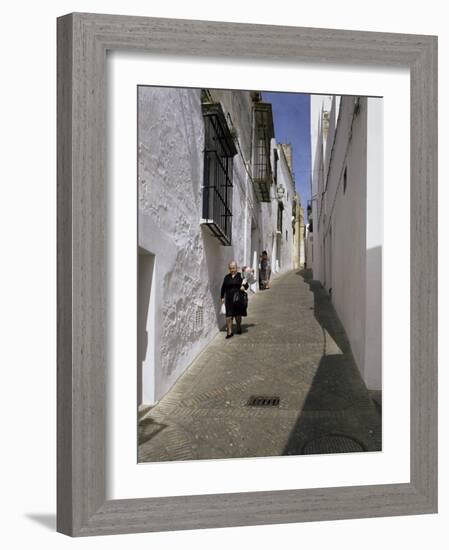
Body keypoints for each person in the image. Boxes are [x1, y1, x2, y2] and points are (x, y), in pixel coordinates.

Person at [220, 261, 249, 339]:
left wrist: (244, 287)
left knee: (237, 316)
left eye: (234, 268)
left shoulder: (241, 276)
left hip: (238, 298)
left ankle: (238, 326)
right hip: (229, 299)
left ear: (236, 268)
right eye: (231, 268)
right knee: (228, 316)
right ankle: (229, 332)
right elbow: (223, 287)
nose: (232, 270)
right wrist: (222, 297)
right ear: (229, 269)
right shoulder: (227, 277)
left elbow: (246, 284)